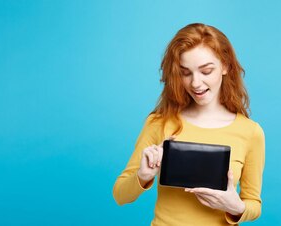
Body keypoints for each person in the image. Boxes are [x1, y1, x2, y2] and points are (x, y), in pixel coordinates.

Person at [113, 23, 265, 225]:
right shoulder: (159, 123)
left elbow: (253, 203)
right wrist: (143, 175)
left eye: (206, 71)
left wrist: (235, 207)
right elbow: (120, 195)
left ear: (225, 66)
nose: (195, 83)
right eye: (186, 73)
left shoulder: (250, 132)